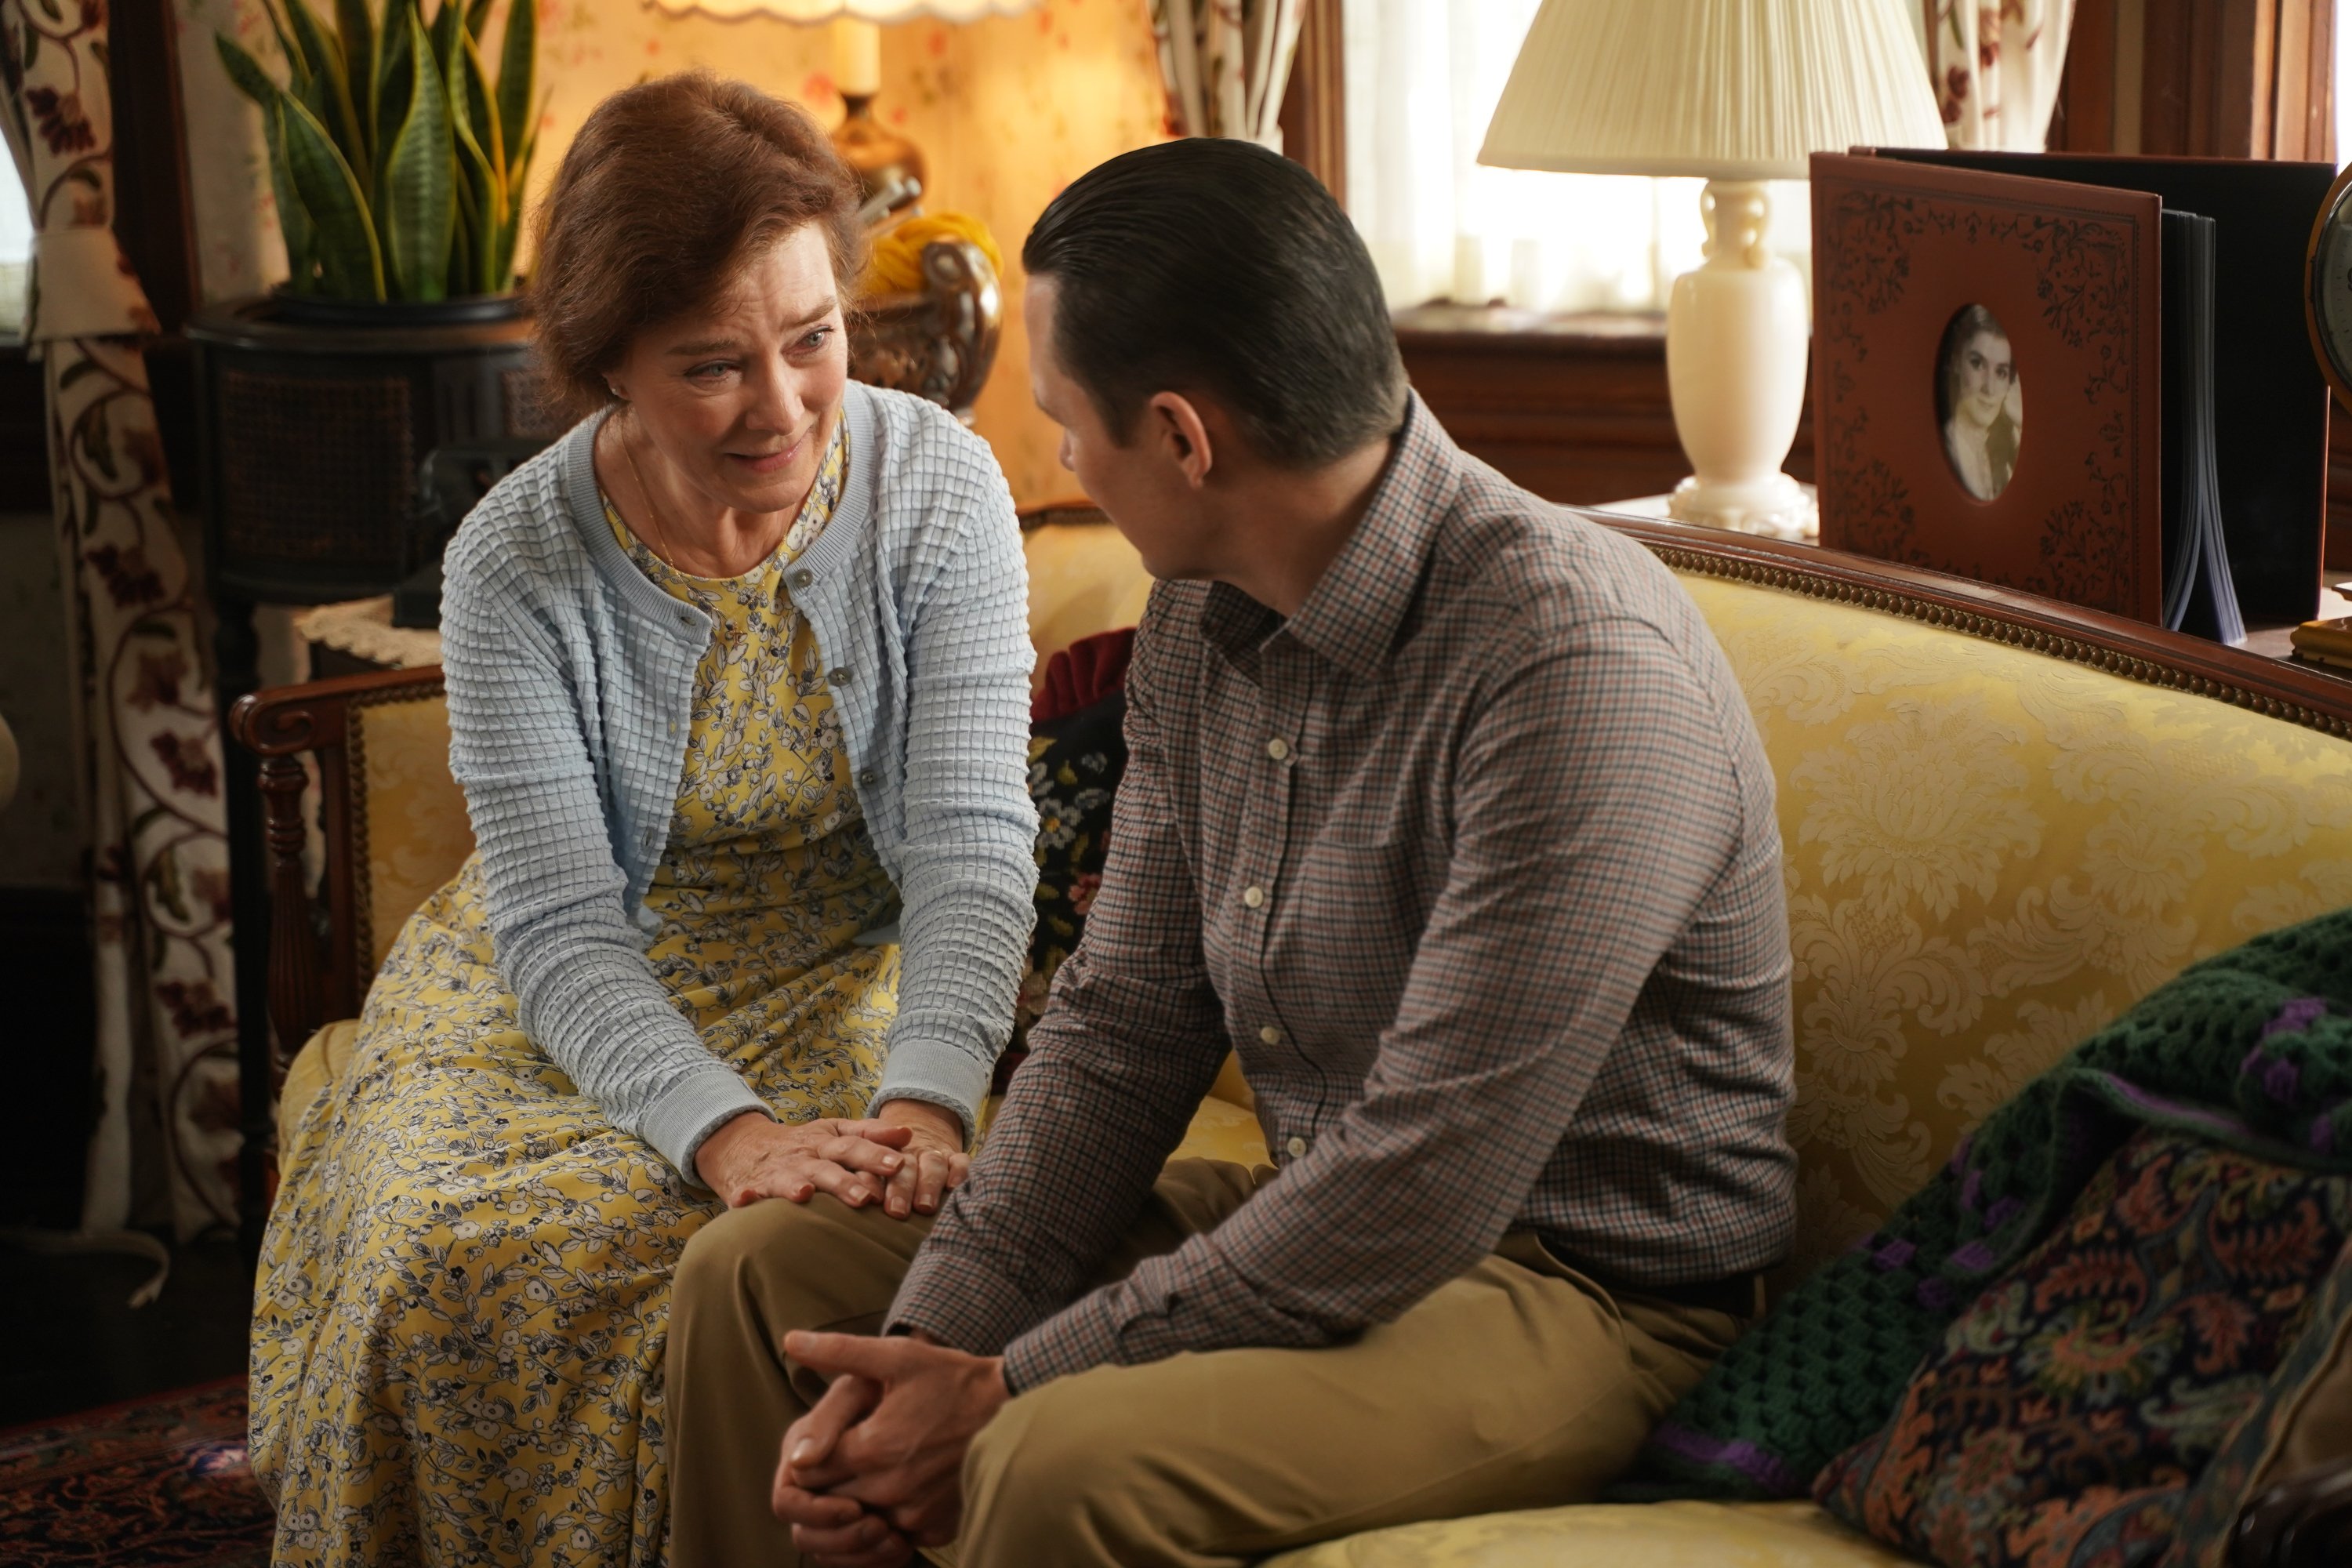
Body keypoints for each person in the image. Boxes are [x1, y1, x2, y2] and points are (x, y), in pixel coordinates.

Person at [665, 137, 1798, 1568]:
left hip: (1582, 1292)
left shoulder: (1573, 666)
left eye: (1071, 425)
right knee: (757, 1278)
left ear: (1186, 440)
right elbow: (1123, 1025)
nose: (1062, 459)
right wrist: (925, 1355)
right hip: (1327, 1205)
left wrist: (1006, 1386)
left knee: (1055, 1457)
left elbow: (1423, 1180)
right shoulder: (1203, 620)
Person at [247, 74, 1039, 1567]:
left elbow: (972, 843)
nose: (786, 404)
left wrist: (929, 1099)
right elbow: (558, 923)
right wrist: (727, 1136)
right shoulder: (514, 561)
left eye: (814, 339)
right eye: (712, 366)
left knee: (743, 1266)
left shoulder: (942, 489)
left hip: (842, 971)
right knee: (440, 1248)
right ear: (607, 361)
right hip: (566, 983)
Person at [1940, 304, 2022, 499]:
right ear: (1957, 362)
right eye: (1977, 364)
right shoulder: (1947, 448)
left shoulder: (2004, 449)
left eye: (2001, 372)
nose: (1990, 388)